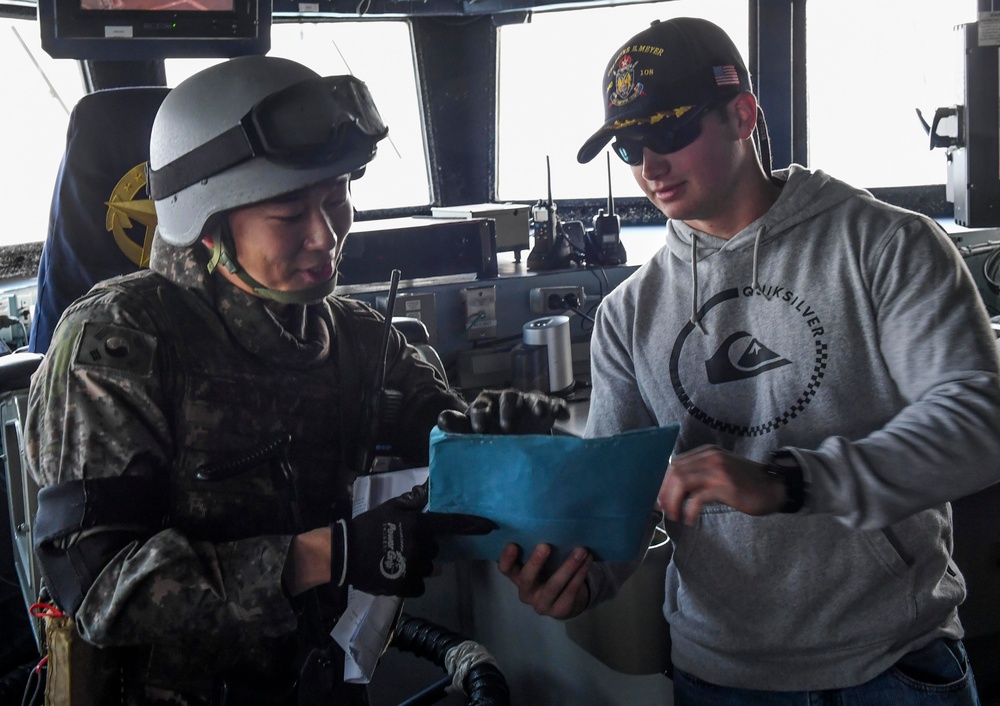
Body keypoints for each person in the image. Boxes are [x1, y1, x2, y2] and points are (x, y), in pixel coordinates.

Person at [23, 55, 563, 706]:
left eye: (336, 199)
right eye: (287, 214)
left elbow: (428, 426)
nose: (326, 236)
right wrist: (327, 555)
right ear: (208, 224)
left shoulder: (359, 336)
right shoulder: (115, 346)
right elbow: (98, 584)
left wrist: (480, 445)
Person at [498, 17, 1000, 705]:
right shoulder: (625, 314)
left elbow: (979, 421)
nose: (650, 166)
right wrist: (579, 576)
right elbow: (622, 501)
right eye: (630, 146)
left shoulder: (886, 246)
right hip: (720, 674)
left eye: (670, 133)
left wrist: (790, 481)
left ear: (743, 114)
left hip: (893, 663)